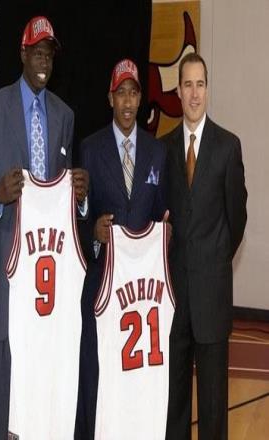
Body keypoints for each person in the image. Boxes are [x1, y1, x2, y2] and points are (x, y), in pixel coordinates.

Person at [0, 15, 88, 439]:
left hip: (45, 280)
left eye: (49, 54)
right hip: (6, 271)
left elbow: (63, 196)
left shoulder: (64, 115)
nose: (43, 61)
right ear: (22, 54)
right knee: (0, 394)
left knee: (42, 385)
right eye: (37, 52)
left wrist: (80, 198)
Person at [75, 58, 168, 439]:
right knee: (98, 380)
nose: (128, 102)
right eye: (121, 94)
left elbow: (162, 214)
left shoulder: (157, 152)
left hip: (140, 297)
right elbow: (78, 217)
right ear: (110, 98)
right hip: (103, 285)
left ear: (141, 99)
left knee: (136, 383)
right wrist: (93, 233)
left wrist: (165, 235)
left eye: (133, 93)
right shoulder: (90, 148)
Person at [163, 52, 247, 440]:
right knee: (174, 405)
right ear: (178, 92)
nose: (194, 94)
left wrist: (211, 262)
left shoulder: (228, 147)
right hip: (174, 300)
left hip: (212, 299)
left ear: (207, 90)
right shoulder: (163, 149)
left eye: (200, 84)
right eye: (188, 85)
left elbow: (237, 220)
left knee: (213, 410)